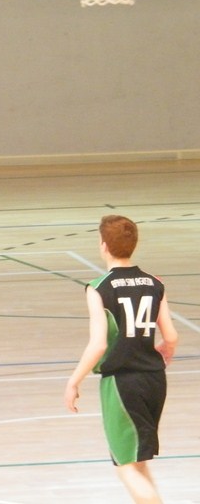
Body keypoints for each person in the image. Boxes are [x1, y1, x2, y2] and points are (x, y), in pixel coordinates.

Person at [65, 215, 178, 503]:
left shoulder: (98, 287)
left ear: (103, 246)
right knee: (137, 461)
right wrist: (166, 349)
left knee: (125, 466)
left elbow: (98, 344)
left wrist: (73, 381)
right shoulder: (154, 283)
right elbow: (171, 335)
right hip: (155, 380)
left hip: (122, 383)